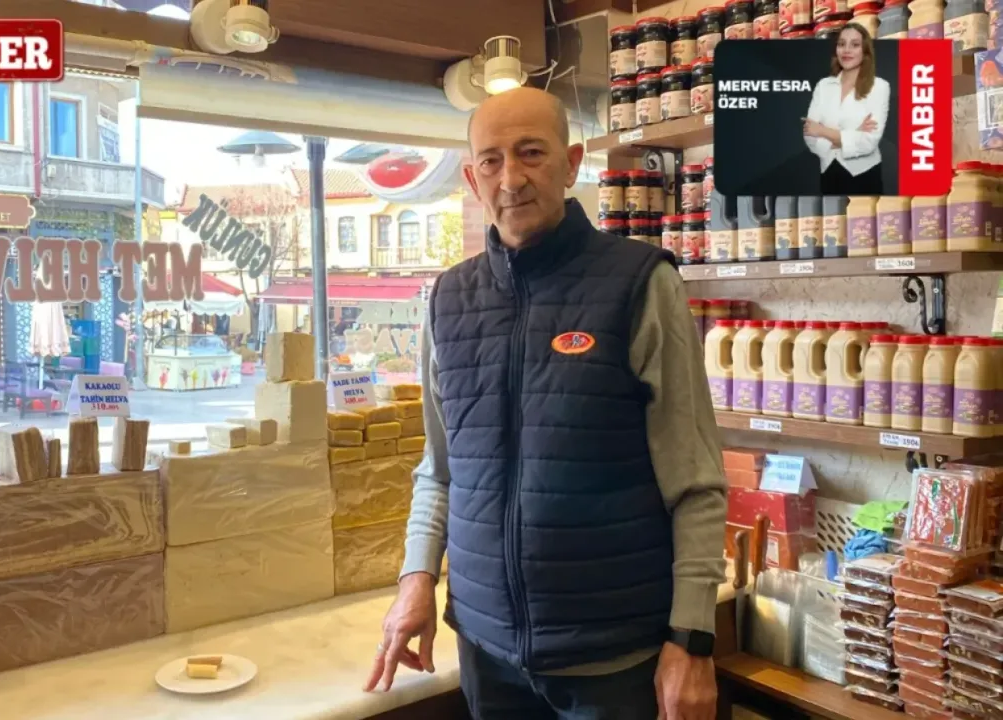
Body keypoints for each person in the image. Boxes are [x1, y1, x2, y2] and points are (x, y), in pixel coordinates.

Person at [362, 86, 728, 719]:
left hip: (615, 661)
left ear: (571, 163)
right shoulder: (447, 301)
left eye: (531, 152)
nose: (511, 178)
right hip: (487, 654)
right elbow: (441, 471)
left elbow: (696, 481)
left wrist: (692, 639)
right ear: (473, 179)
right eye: (491, 160)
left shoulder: (640, 283)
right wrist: (416, 579)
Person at [803, 23, 890, 195]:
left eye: (855, 45)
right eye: (842, 44)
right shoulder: (823, 86)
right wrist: (854, 133)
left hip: (864, 175)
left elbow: (868, 142)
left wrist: (822, 130)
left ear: (865, 51)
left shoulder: (879, 87)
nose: (846, 50)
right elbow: (809, 136)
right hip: (828, 174)